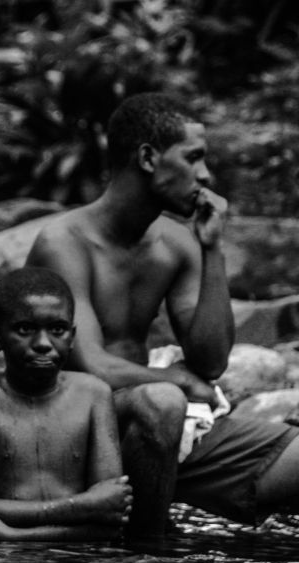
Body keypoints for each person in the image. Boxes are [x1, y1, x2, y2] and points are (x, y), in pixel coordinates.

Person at [26, 92, 299, 539]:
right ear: (149, 158)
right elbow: (88, 364)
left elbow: (210, 362)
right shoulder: (64, 242)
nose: (206, 175)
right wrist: (180, 381)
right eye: (193, 158)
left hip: (164, 432)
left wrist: (211, 249)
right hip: (85, 427)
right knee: (162, 401)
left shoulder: (176, 243)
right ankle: (148, 552)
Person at [0, 267, 131, 542]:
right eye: (25, 329)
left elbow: (110, 521)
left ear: (72, 336)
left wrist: (9, 536)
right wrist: (83, 506)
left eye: (57, 329)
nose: (43, 343)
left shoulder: (94, 394)